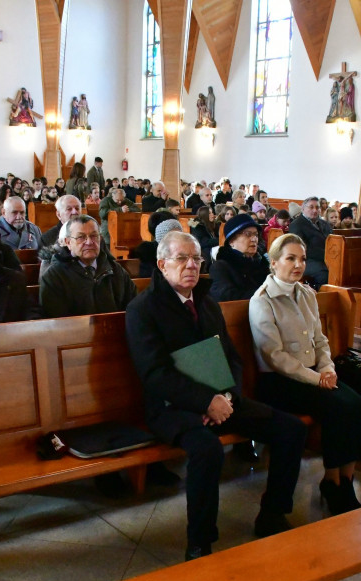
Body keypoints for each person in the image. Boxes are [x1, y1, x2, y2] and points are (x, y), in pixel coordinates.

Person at [125, 231, 305, 559]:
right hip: (171, 408)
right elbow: (155, 375)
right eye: (182, 259)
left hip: (221, 400)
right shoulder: (143, 309)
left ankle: (272, 513)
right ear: (162, 264)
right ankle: (200, 541)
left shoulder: (206, 303)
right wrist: (205, 402)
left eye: (196, 259)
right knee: (207, 450)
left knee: (290, 429)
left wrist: (228, 399)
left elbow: (231, 358)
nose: (191, 265)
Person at [249, 233, 361, 514]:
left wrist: (327, 368)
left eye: (302, 259)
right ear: (274, 262)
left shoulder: (306, 294)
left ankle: (344, 480)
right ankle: (332, 481)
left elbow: (320, 339)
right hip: (278, 382)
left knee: (358, 407)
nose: (298, 265)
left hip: (315, 375)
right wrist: (318, 379)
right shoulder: (262, 301)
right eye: (290, 258)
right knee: (339, 408)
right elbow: (274, 357)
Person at [40, 215, 136, 318]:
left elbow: (133, 308)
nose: (89, 242)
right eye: (81, 237)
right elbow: (56, 322)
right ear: (68, 243)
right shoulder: (54, 276)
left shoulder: (115, 269)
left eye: (94, 236)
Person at [209, 214, 266, 301]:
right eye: (248, 234)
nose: (254, 239)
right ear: (231, 241)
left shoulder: (261, 262)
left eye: (256, 234)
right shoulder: (220, 266)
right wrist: (265, 294)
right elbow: (226, 298)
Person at [286, 197, 333, 288]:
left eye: (317, 207)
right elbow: (301, 249)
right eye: (311, 207)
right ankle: (320, 298)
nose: (315, 210)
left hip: (328, 259)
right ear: (303, 208)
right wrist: (326, 255)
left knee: (340, 270)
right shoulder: (296, 225)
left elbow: (333, 241)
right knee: (325, 273)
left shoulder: (325, 224)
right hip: (306, 260)